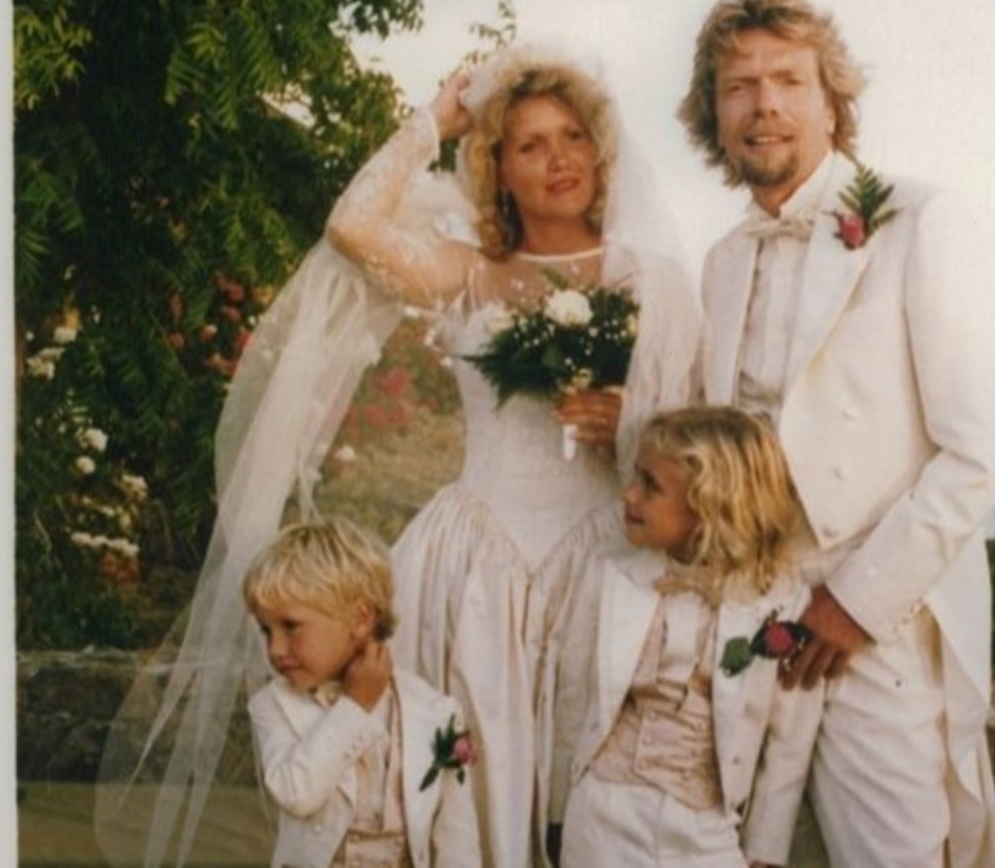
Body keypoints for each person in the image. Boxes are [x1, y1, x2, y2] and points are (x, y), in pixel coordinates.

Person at [97, 44, 699, 868]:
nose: (558, 159)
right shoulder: (469, 273)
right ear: (496, 167)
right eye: (529, 144)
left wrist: (630, 418)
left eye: (573, 137)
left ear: (600, 151)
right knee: (456, 790)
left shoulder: (654, 282)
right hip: (474, 566)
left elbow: (699, 434)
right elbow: (353, 229)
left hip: (603, 560)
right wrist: (435, 120)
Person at [679, 0, 995, 868]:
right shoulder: (720, 264)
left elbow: (980, 452)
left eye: (788, 81)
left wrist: (857, 604)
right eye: (738, 86)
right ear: (713, 116)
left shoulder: (919, 220)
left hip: (879, 619)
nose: (763, 105)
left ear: (832, 103)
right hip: (755, 612)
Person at [549, 406, 820, 868]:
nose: (629, 494)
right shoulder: (612, 577)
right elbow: (573, 699)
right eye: (634, 476)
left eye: (650, 485)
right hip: (603, 810)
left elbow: (789, 737)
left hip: (705, 827)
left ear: (709, 507)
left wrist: (766, 848)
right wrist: (560, 810)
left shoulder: (778, 604)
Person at [242, 517, 480, 868]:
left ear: (360, 619)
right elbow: (297, 794)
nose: (275, 649)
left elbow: (457, 837)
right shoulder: (271, 705)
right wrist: (354, 706)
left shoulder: (436, 712)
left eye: (291, 627)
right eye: (266, 631)